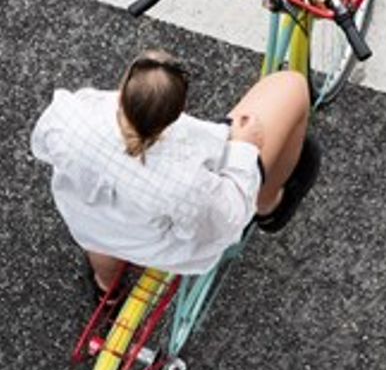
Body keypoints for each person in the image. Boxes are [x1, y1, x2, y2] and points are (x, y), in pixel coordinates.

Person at [31, 50, 318, 295]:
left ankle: (106, 287)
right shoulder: (186, 180)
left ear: (124, 93)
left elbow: (43, 146)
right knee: (292, 86)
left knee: (101, 236)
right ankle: (269, 204)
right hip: (158, 246)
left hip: (91, 223)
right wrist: (245, 146)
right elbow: (227, 218)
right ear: (179, 110)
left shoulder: (71, 118)